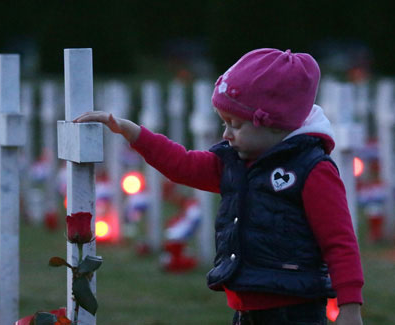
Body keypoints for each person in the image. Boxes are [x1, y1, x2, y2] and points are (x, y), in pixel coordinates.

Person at [75, 48, 364, 325]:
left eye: (235, 124)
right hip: (244, 307)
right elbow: (182, 164)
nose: (226, 134)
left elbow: (339, 242)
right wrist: (133, 132)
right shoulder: (233, 163)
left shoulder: (312, 170)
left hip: (295, 309)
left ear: (274, 124)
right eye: (224, 123)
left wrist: (349, 307)